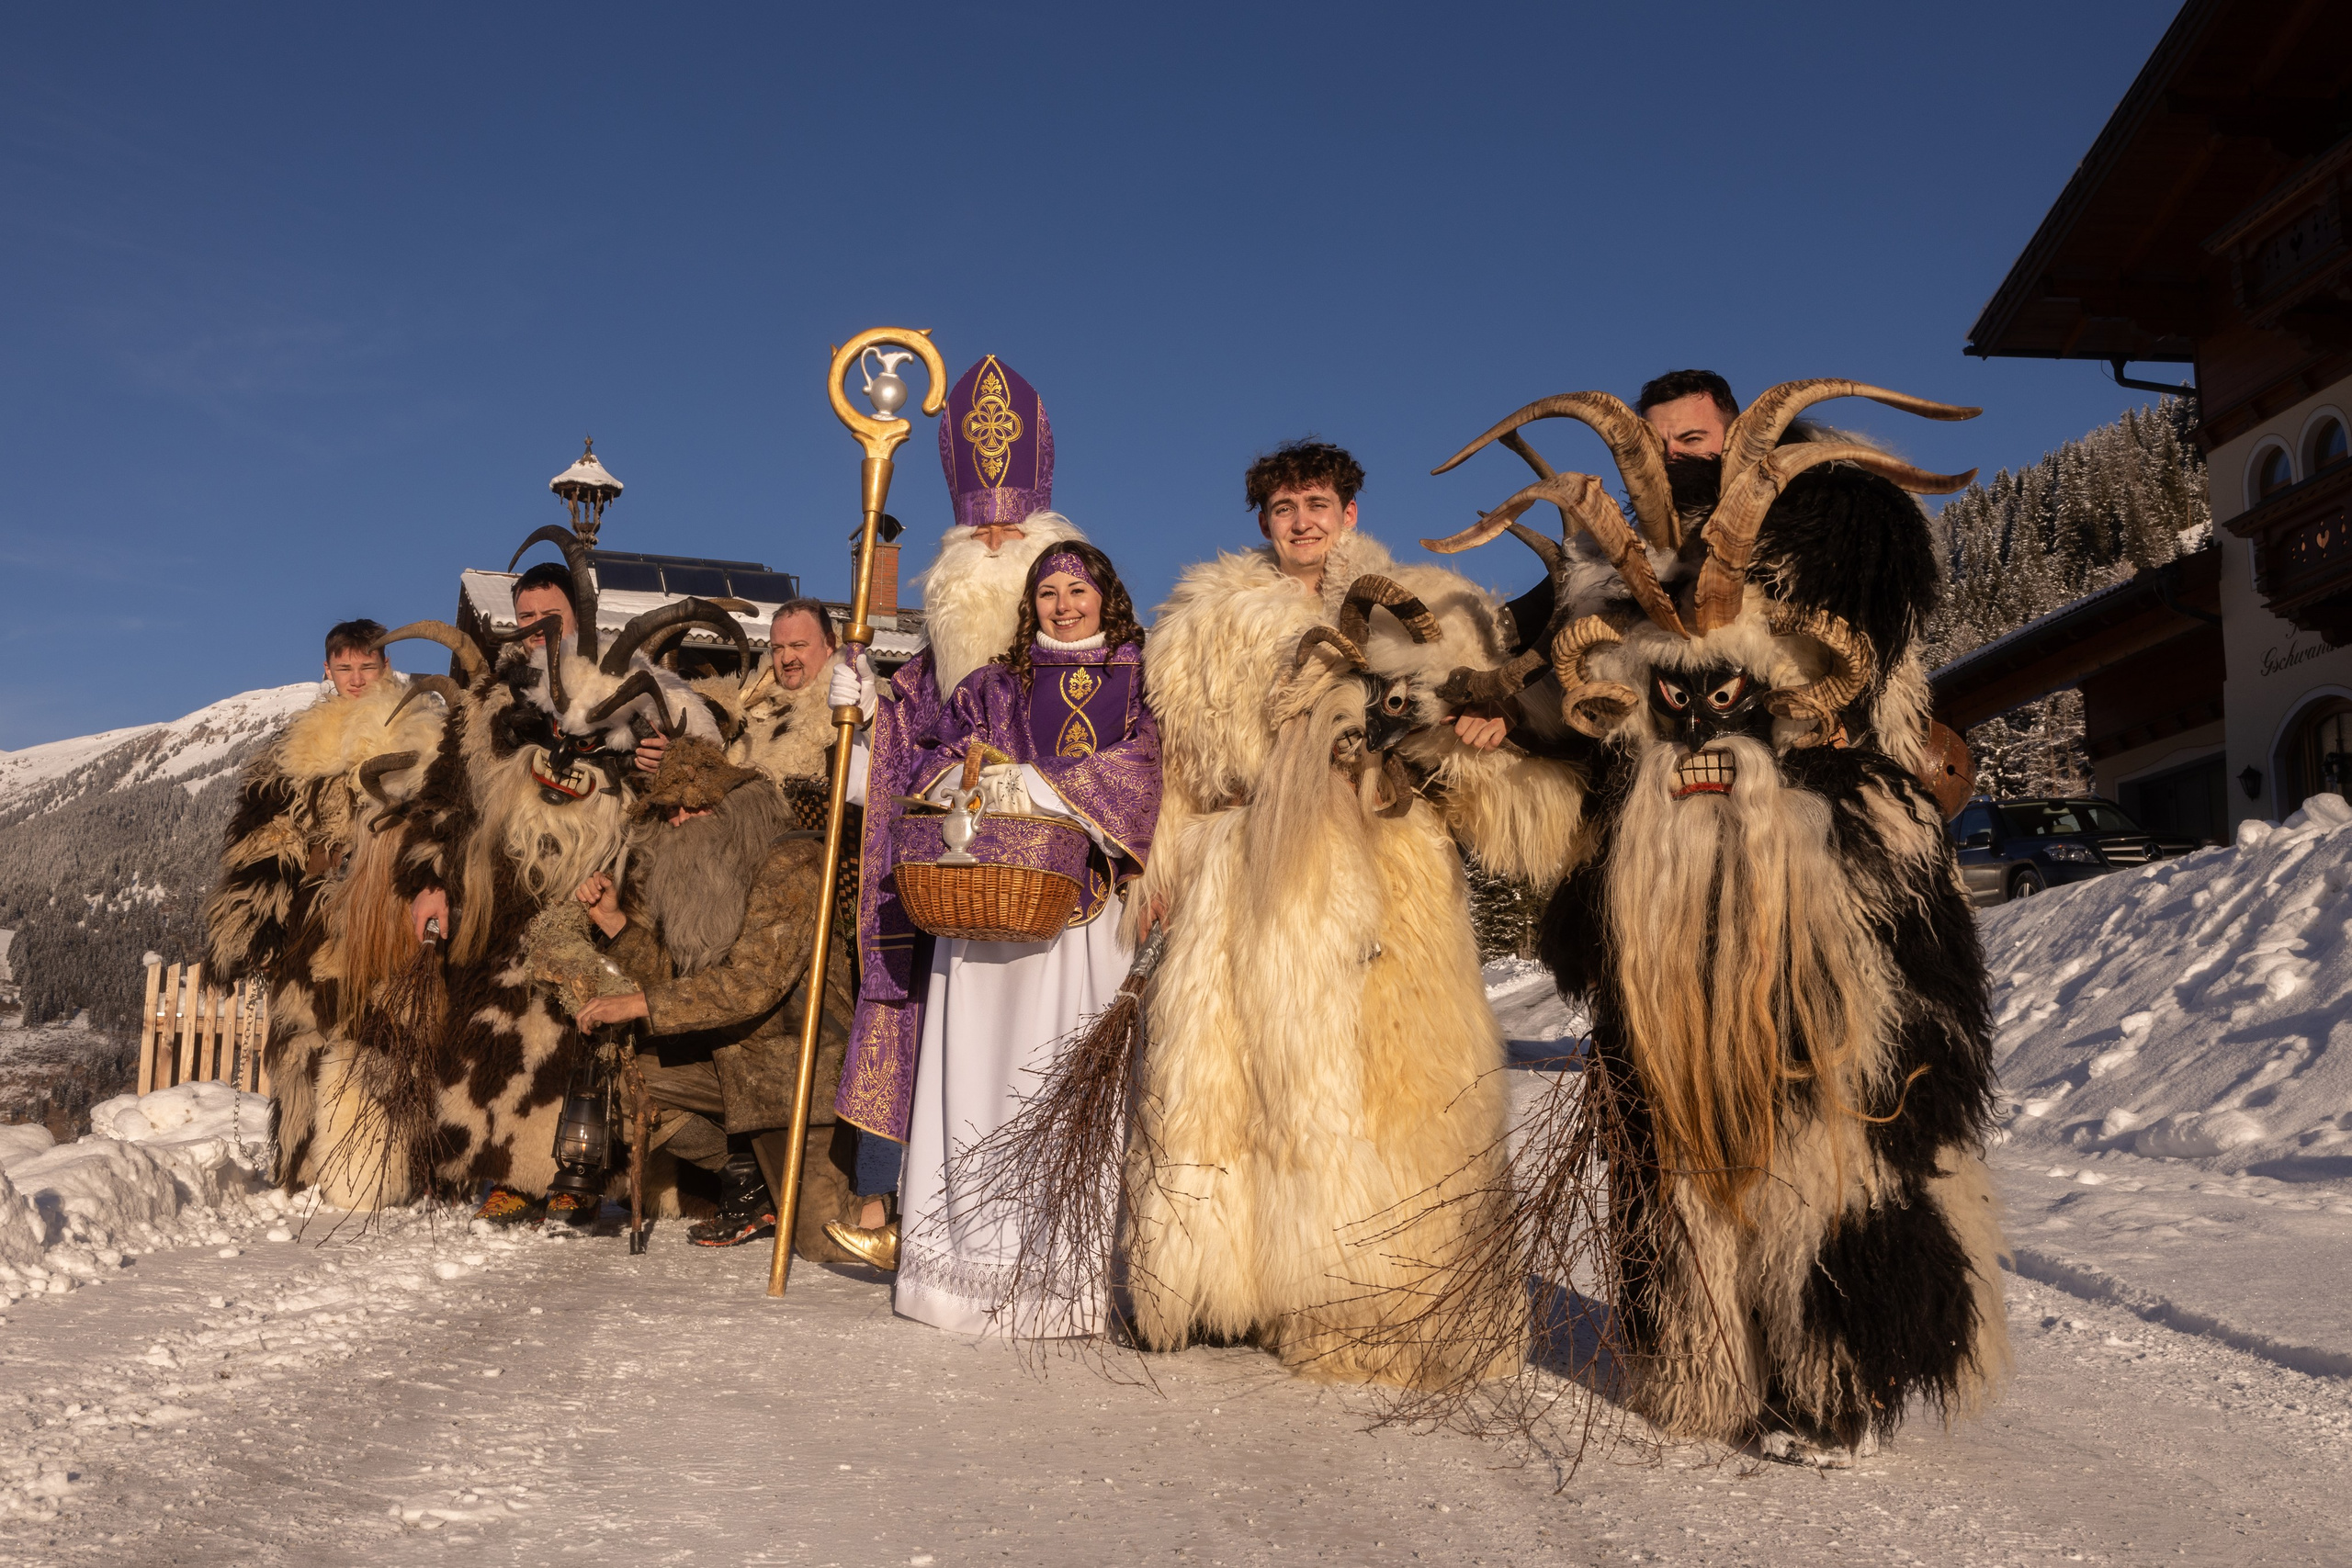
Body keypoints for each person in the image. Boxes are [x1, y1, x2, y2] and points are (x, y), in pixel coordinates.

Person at [1118, 441, 1577, 1382]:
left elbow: (1476, 758)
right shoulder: (1202, 624)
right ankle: (1236, 1286)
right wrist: (1156, 868)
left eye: (1317, 502)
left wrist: (1475, 739)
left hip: (1388, 869)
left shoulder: (1432, 610)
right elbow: (1172, 769)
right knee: (1246, 1086)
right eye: (1284, 506)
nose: (1302, 520)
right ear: (1262, 521)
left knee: (1388, 1089)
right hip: (1248, 876)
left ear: (1350, 511)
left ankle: (1386, 1295)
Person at [826, 355, 1088, 1269]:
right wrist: (865, 710)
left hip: (1058, 898)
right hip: (956, 891)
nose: (988, 546)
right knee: (941, 1043)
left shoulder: (1092, 661)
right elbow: (895, 763)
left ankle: (1050, 1228)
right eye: (975, 543)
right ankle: (922, 1217)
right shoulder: (931, 681)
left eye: (1009, 541)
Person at [888, 540, 1158, 1335]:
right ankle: (956, 1276)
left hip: (1082, 916)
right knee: (975, 1077)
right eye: (1049, 592)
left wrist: (1041, 784)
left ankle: (1058, 1280)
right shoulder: (991, 685)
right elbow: (927, 764)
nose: (1064, 604)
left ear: (1107, 595)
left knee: (1058, 1076)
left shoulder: (1142, 682)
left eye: (1079, 589)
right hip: (980, 912)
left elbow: (1145, 770)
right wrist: (969, 772)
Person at [572, 739, 857, 1250]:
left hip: (793, 1080)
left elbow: (751, 984)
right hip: (728, 1066)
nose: (680, 819)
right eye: (671, 810)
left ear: (731, 806)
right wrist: (615, 922)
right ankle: (744, 1176)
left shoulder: (794, 862)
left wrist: (639, 1005)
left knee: (827, 1246)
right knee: (626, 1078)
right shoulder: (701, 874)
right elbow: (672, 974)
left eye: (693, 805)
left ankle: (894, 1212)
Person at [203, 619, 444, 1208]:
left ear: (387, 669)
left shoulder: (426, 735)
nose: (357, 679)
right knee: (304, 1030)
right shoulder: (297, 750)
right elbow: (264, 836)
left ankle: (383, 1163)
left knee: (381, 1032)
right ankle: (306, 1157)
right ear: (328, 671)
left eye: (368, 667)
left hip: (385, 908)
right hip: (312, 911)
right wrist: (250, 918)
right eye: (345, 668)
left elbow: (441, 825)